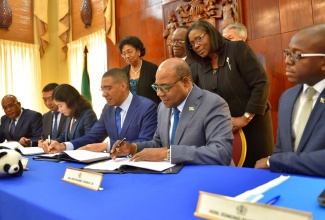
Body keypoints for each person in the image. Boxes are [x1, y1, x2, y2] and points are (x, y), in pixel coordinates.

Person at [110, 58, 233, 165]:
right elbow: (159, 143)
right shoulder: (163, 107)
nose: (159, 93)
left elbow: (221, 152)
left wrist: (168, 153)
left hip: (206, 179)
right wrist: (133, 148)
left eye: (164, 87)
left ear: (185, 82)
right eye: (156, 87)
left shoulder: (213, 104)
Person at [185, 20, 274, 167]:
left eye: (199, 39)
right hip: (224, 130)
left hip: (253, 124)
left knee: (256, 172)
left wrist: (245, 118)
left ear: (211, 34)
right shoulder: (198, 65)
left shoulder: (237, 49)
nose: (196, 45)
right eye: (192, 44)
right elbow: (197, 97)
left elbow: (261, 83)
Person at [255, 24, 325, 177]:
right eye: (287, 53)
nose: (287, 61)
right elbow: (281, 148)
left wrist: (273, 161)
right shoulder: (287, 97)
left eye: (297, 55)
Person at [45, 68, 157, 153]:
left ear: (123, 86)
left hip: (138, 164)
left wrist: (107, 145)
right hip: (114, 165)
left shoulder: (147, 107)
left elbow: (145, 142)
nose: (104, 94)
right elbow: (93, 136)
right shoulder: (107, 109)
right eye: (102, 89)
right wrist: (63, 146)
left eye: (108, 88)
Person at [42, 84, 97, 151]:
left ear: (70, 102)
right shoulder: (70, 115)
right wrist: (52, 143)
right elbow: (64, 136)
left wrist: (63, 146)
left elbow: (90, 139)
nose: (59, 109)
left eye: (60, 106)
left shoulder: (87, 114)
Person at [118, 36, 160, 104]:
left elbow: (160, 92)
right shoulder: (122, 72)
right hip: (130, 110)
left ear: (138, 51)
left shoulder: (152, 69)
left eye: (130, 52)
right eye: (124, 54)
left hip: (150, 110)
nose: (127, 56)